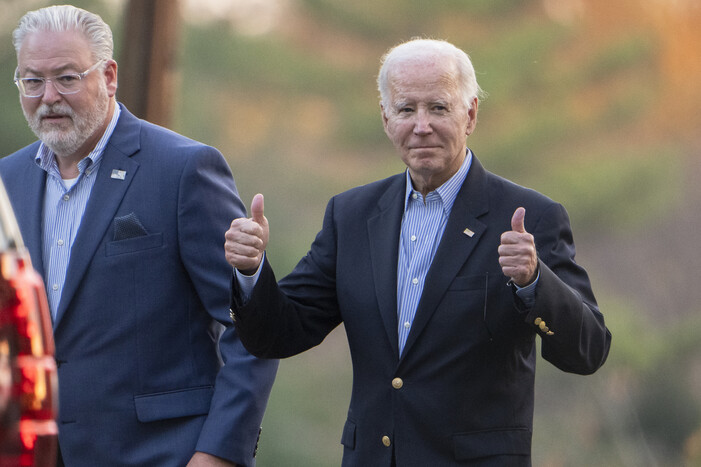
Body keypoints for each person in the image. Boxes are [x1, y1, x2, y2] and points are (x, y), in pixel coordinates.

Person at [225, 38, 611, 466]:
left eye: (438, 108)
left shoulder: (529, 217)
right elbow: (279, 332)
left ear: (471, 114)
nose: (421, 125)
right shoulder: (350, 215)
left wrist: (534, 282)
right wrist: (251, 270)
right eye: (407, 109)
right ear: (386, 118)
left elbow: (588, 350)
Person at [0, 5, 278, 467]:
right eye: (33, 81)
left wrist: (217, 456)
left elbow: (252, 330)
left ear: (108, 76)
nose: (48, 97)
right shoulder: (5, 181)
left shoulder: (183, 169)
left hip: (161, 455)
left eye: (67, 78)